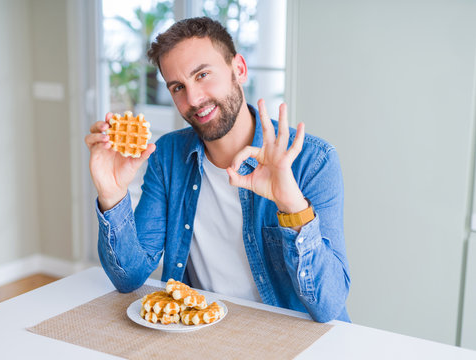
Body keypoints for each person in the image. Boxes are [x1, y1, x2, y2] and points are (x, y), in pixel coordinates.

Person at [85, 17, 350, 323]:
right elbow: (128, 277)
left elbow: (328, 307)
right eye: (177, 87)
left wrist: (292, 205)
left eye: (203, 74)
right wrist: (112, 195)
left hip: (290, 338)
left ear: (239, 68)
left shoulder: (312, 161)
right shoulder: (168, 157)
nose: (194, 99)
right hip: (203, 331)